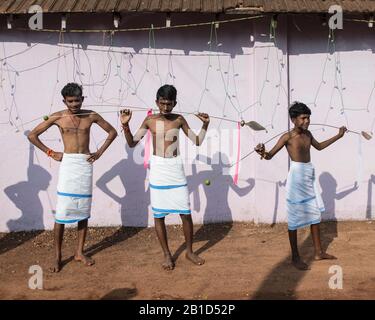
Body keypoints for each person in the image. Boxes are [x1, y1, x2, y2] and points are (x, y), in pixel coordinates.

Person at [28, 82, 117, 272]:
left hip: (85, 164)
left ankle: (79, 252)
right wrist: (52, 153)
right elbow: (33, 135)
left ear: (82, 99)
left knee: (83, 211)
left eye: (77, 100)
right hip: (68, 165)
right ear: (64, 101)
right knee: (62, 213)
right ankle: (57, 256)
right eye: (70, 101)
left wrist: (99, 152)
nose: (74, 104)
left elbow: (112, 132)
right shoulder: (58, 116)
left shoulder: (90, 115)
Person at [120, 84, 209, 270]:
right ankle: (167, 254)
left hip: (175, 168)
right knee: (159, 215)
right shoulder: (149, 120)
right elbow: (131, 143)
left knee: (185, 212)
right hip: (159, 169)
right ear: (156, 102)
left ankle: (190, 251)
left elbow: (197, 141)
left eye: (169, 104)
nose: (166, 107)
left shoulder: (179, 119)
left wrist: (205, 125)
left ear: (175, 103)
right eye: (162, 103)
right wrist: (125, 124)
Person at [254, 101, 347, 270]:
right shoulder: (287, 137)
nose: (307, 121)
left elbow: (318, 147)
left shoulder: (308, 134)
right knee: (295, 218)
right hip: (296, 178)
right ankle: (295, 257)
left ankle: (318, 252)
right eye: (303, 118)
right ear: (293, 119)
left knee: (315, 215)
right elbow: (269, 155)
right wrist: (262, 152)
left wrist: (338, 136)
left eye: (308, 118)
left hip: (308, 175)